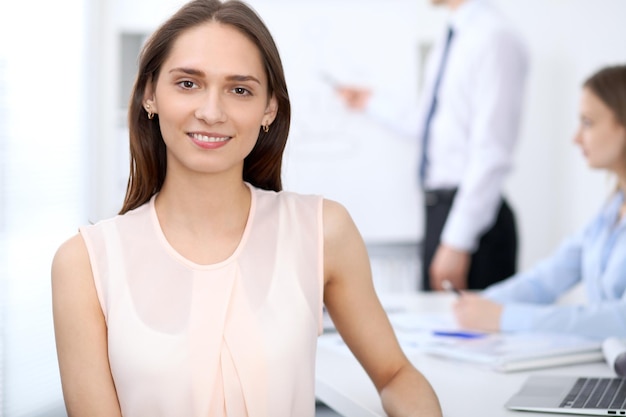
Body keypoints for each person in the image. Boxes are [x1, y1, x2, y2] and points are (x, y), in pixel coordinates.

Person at [50, 1, 442, 416]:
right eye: (188, 84)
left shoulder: (323, 231)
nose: (212, 112)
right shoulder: (84, 264)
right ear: (150, 94)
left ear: (268, 109)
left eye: (240, 90)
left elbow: (396, 374)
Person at [336, 0, 528, 292]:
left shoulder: (494, 37)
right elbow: (433, 125)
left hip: (472, 221)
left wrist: (458, 241)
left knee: (471, 333)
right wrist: (372, 103)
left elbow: (492, 151)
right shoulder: (453, 35)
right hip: (440, 212)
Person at [453, 64, 626, 341]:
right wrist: (479, 303)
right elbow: (546, 279)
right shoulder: (611, 209)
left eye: (588, 122)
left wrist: (503, 318)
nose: (576, 137)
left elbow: (620, 321)